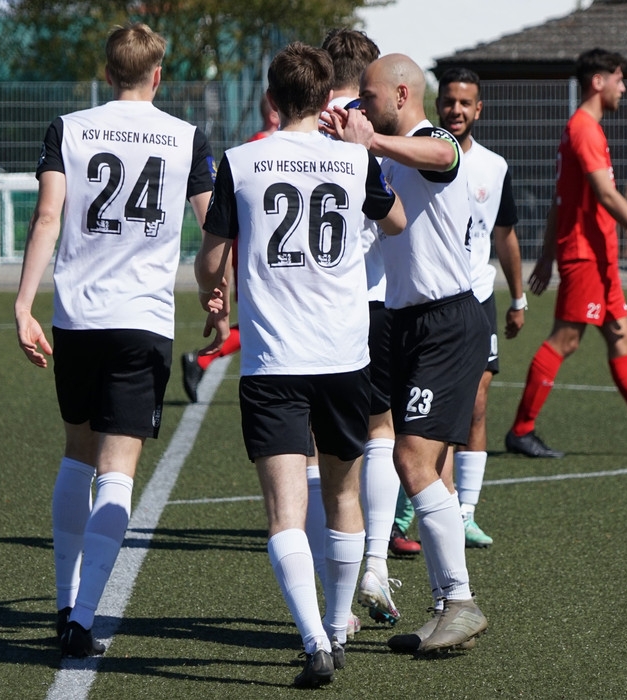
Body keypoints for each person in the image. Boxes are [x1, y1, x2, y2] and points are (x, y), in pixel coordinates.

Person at [195, 42, 405, 688]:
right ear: (326, 97)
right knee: (343, 495)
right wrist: (364, 154)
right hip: (344, 354)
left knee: (285, 511)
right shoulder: (354, 160)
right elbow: (396, 222)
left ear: (270, 99)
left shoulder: (241, 161)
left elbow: (211, 257)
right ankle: (338, 627)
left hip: (273, 359)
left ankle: (315, 640)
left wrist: (214, 291)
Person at [14, 23, 216, 659]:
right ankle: (83, 619)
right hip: (142, 322)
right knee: (118, 470)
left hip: (77, 318)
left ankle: (64, 601)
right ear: (158, 75)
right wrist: (217, 293)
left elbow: (47, 216)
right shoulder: (186, 137)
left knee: (77, 454)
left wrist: (23, 304)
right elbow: (214, 227)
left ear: (107, 73)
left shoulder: (69, 128)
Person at [325, 54, 490, 655]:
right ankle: (448, 605)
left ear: (400, 94)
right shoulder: (388, 153)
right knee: (419, 462)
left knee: (411, 458)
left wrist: (371, 143)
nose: (362, 109)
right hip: (406, 323)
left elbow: (443, 155)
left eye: (368, 98)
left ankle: (460, 601)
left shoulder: (430, 138)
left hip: (446, 320)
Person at [504, 48, 627, 460]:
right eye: (619, 79)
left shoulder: (581, 128)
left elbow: (561, 199)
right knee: (565, 340)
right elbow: (606, 194)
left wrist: (546, 254)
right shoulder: (584, 129)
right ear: (598, 82)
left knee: (621, 336)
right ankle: (521, 431)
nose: (623, 88)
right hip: (585, 255)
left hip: (598, 256)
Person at [315, 26, 410, 628]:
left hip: (301, 306)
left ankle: (328, 596)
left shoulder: (303, 117)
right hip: (369, 299)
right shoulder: (370, 124)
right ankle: (374, 561)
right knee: (380, 431)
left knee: (306, 451)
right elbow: (396, 217)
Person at [436, 67, 526, 548]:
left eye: (465, 102)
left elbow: (504, 235)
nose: (456, 109)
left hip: (476, 298)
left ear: (478, 109)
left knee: (476, 403)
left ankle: (465, 511)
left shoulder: (494, 166)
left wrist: (518, 298)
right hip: (427, 300)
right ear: (437, 104)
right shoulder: (417, 157)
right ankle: (410, 505)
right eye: (449, 100)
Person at [178, 97, 279, 402]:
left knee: (265, 319)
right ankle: (201, 360)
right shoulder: (264, 148)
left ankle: (201, 361)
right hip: (261, 252)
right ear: (275, 113)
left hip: (263, 249)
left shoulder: (255, 147)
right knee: (266, 319)